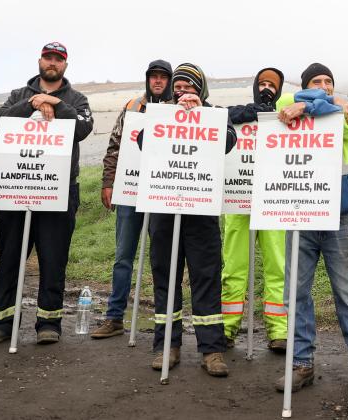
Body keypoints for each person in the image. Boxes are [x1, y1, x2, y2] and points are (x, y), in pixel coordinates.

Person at [275, 63, 348, 397]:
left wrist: (311, 105)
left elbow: (342, 123)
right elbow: (283, 109)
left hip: (340, 216)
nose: (323, 86)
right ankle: (301, 364)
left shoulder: (346, 114)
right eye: (315, 82)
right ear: (303, 85)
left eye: (329, 82)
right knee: (296, 294)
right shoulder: (286, 108)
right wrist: (308, 103)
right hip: (300, 213)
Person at [0, 42, 94, 345]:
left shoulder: (77, 98)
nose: (52, 62)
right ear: (40, 60)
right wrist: (32, 103)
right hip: (17, 187)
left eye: (58, 59)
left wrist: (54, 103)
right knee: (10, 258)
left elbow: (83, 128)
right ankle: (3, 323)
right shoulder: (19, 94)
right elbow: (0, 121)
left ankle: (49, 323)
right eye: (48, 57)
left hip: (59, 190)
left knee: (53, 259)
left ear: (65, 65)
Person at [146, 64, 236, 376]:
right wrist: (172, 113)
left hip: (201, 212)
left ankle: (212, 350)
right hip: (164, 209)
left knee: (207, 278)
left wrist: (202, 113)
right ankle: (166, 346)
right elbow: (145, 141)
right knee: (165, 278)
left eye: (189, 87)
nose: (183, 91)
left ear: (200, 90)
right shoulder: (160, 112)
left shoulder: (214, 114)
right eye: (179, 86)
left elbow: (228, 140)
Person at [91, 59, 173, 339]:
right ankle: (114, 317)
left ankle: (165, 323)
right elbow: (115, 145)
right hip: (130, 190)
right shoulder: (132, 107)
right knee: (123, 256)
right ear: (148, 79)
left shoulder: (178, 109)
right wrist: (108, 182)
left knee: (161, 258)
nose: (158, 81)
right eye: (154, 76)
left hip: (162, 193)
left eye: (163, 77)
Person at [221, 67, 288, 352]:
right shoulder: (239, 113)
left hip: (274, 202)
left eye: (272, 85)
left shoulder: (287, 116)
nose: (266, 89)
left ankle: (279, 331)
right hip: (239, 200)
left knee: (277, 266)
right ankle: (226, 328)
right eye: (261, 83)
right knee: (234, 266)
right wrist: (250, 112)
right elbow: (217, 116)